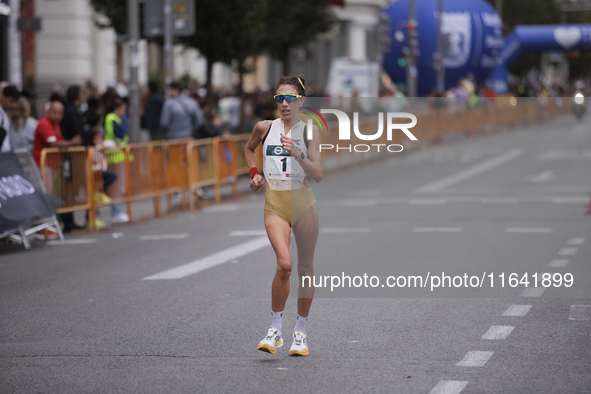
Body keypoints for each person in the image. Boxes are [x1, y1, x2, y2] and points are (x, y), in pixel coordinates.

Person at [244, 75, 323, 356]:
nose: (284, 104)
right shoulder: (265, 128)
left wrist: (299, 154)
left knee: (305, 269)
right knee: (285, 265)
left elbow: (319, 174)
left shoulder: (310, 132)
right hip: (275, 203)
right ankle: (275, 329)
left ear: (300, 100)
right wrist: (255, 174)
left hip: (304, 204)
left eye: (289, 98)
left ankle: (300, 332)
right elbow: (249, 149)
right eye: (279, 98)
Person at [59, 85, 86, 232]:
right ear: (78, 97)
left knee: (70, 188)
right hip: (72, 156)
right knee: (70, 188)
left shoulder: (68, 110)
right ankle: (68, 221)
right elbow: (78, 135)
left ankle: (69, 220)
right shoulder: (72, 112)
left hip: (69, 155)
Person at [104, 98, 129, 223]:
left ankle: (118, 210)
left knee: (120, 186)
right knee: (117, 187)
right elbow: (118, 134)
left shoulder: (120, 118)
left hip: (120, 155)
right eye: (123, 108)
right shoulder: (111, 118)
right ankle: (116, 211)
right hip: (114, 155)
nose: (125, 111)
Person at [0, 85, 20, 152]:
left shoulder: (4, 114)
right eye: (11, 101)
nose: (13, 105)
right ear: (3, 96)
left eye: (15, 102)